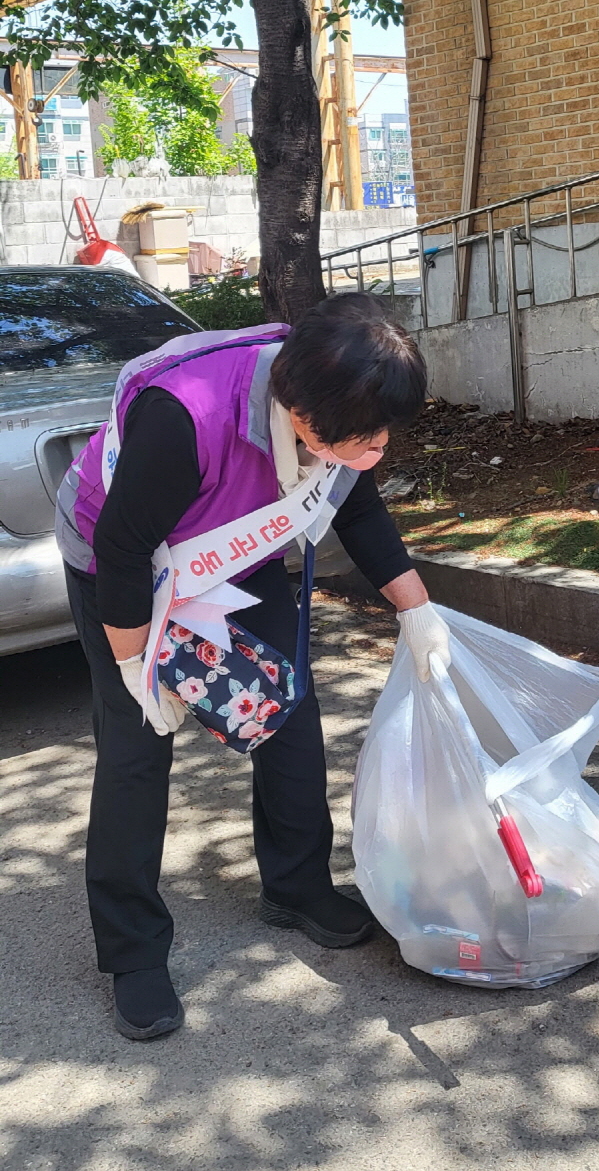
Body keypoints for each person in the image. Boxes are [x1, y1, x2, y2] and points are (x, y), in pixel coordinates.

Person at [56, 293, 450, 1041]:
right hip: (125, 564)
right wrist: (139, 668)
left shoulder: (342, 403)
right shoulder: (188, 415)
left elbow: (358, 509)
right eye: (362, 439)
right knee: (137, 749)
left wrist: (416, 611)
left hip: (235, 550)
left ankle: (298, 886)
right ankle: (134, 951)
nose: (376, 450)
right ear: (298, 411)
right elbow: (122, 549)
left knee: (287, 704)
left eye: (383, 435)